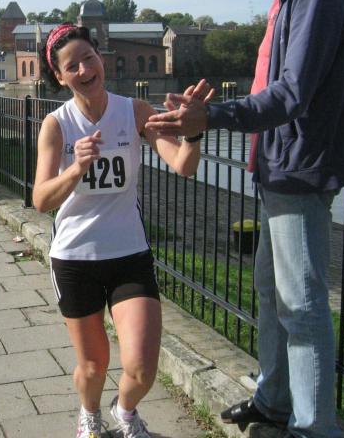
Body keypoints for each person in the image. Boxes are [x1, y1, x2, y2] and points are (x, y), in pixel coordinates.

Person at [146, 0, 344, 438]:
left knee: (302, 305)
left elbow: (292, 93)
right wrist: (207, 115)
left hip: (300, 168)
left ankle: (314, 428)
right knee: (273, 292)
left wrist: (212, 116)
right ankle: (273, 401)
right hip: (281, 166)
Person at [33, 23, 213, 438]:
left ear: (101, 57)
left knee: (143, 366)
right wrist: (76, 168)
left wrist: (193, 133)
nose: (84, 70)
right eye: (72, 66)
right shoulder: (57, 125)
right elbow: (41, 199)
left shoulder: (134, 111)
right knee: (93, 366)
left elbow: (183, 165)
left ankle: (126, 411)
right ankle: (89, 414)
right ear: (59, 75)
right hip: (75, 258)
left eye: (89, 58)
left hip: (128, 253)